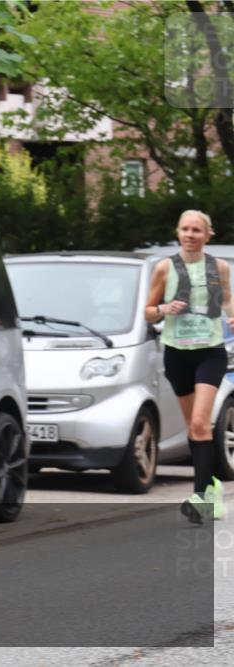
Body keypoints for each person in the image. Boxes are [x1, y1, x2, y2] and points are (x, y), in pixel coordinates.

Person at [146, 209, 230, 523]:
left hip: (210, 352)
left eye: (196, 230)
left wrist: (233, 315)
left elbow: (227, 300)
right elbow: (148, 311)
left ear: (208, 235)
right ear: (178, 233)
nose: (190, 235)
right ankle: (212, 487)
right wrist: (164, 308)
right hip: (177, 353)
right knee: (194, 430)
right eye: (185, 229)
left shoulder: (219, 267)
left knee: (199, 423)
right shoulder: (164, 268)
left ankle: (200, 499)